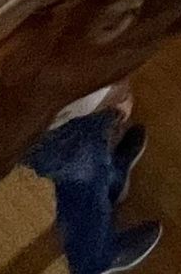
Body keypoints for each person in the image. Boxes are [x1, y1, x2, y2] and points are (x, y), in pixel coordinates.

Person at [26, 83, 162, 273]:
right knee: (82, 176)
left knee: (92, 160)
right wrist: (115, 94)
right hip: (49, 127)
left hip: (46, 121)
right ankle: (95, 260)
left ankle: (112, 182)